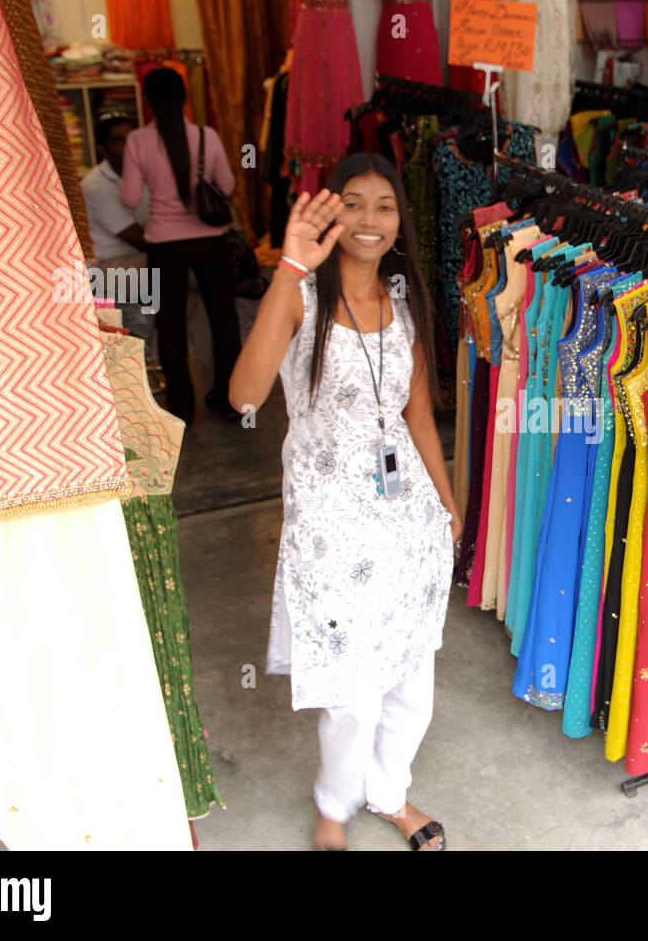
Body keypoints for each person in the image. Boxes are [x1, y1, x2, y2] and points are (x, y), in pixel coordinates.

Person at [229, 153, 459, 852]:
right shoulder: (300, 298)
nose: (368, 219)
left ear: (399, 221)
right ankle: (334, 804)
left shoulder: (404, 302)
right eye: (352, 203)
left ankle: (388, 793)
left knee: (411, 682)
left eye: (384, 206)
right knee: (351, 693)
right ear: (330, 213)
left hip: (407, 524)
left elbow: (418, 418)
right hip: (331, 532)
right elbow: (244, 394)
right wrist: (288, 268)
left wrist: (446, 506)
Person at [120, 67, 240, 425]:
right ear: (184, 97)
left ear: (148, 101)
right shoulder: (206, 136)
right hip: (210, 242)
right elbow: (227, 186)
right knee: (224, 320)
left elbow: (129, 196)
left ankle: (181, 407)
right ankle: (231, 399)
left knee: (170, 326)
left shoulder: (137, 141)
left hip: (164, 244)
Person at [82, 114, 152, 339]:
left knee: (194, 274)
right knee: (183, 265)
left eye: (131, 139)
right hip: (108, 269)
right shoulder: (96, 186)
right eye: (119, 140)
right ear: (102, 149)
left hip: (139, 259)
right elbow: (140, 239)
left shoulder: (143, 175)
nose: (129, 147)